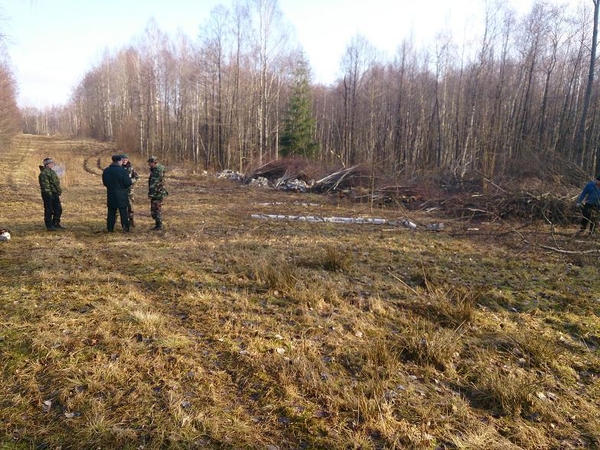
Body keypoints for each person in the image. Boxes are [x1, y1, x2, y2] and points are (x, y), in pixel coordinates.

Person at [102, 154, 132, 232]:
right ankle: (125, 228)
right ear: (119, 161)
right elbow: (128, 183)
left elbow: (105, 182)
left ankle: (110, 229)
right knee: (123, 213)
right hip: (121, 194)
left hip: (111, 193)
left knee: (111, 212)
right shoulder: (123, 171)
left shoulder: (106, 170)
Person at [38, 157, 64, 231]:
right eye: (51, 163)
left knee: (58, 209)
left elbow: (56, 183)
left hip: (54, 193)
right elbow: (45, 186)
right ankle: (49, 225)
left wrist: (58, 191)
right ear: (47, 164)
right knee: (49, 210)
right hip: (48, 194)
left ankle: (56, 223)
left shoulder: (52, 172)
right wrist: (49, 194)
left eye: (53, 163)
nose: (53, 164)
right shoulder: (43, 173)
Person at [147, 155, 168, 231]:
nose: (149, 164)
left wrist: (151, 194)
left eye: (150, 163)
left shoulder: (157, 170)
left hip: (157, 193)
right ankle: (158, 225)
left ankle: (159, 226)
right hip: (158, 192)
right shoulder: (156, 169)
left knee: (156, 210)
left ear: (154, 162)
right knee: (155, 210)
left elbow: (154, 183)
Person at [119, 153, 140, 227]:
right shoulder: (118, 168)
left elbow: (137, 177)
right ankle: (115, 222)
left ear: (128, 160)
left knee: (130, 206)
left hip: (129, 191)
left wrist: (131, 182)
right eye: (123, 159)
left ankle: (131, 221)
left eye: (125, 159)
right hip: (120, 190)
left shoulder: (131, 168)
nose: (124, 161)